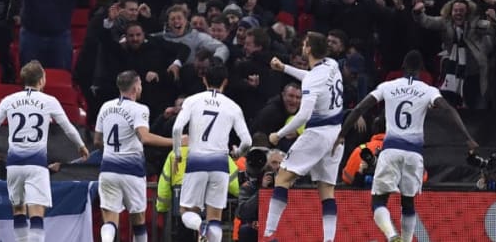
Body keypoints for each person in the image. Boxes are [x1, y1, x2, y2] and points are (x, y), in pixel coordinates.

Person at [335, 50, 478, 242]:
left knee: (379, 200)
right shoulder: (428, 90)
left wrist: (342, 134)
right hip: (414, 154)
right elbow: (449, 110)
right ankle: (406, 240)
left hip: (391, 149)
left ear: (402, 67)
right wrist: (467, 138)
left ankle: (392, 236)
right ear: (421, 69)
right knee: (408, 203)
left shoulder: (388, 86)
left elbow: (361, 108)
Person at [0, 60, 89, 242]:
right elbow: (68, 127)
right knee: (36, 213)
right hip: (36, 164)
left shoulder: (9, 100)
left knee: (18, 210)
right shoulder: (49, 101)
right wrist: (81, 145)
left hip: (14, 164)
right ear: (42, 80)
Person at [261, 31, 344, 242]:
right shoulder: (331, 65)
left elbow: (304, 115)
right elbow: (311, 76)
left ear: (308, 49)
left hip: (318, 133)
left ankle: (269, 234)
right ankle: (329, 240)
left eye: (305, 43)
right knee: (326, 191)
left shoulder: (313, 80)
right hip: (337, 134)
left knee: (282, 178)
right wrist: (284, 68)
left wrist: (278, 135)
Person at [172, 62, 252, 242]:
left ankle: (200, 226)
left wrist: (177, 155)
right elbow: (247, 141)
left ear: (204, 79)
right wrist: (238, 153)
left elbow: (177, 129)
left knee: (187, 211)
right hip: (220, 164)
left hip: (196, 161)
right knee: (215, 217)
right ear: (225, 82)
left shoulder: (192, 101)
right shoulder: (232, 106)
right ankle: (207, 227)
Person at [95, 70, 174, 242]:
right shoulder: (140, 109)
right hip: (132, 171)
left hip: (108, 169)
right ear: (136, 86)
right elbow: (144, 137)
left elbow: (97, 141)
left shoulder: (105, 107)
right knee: (138, 220)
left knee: (109, 220)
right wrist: (175, 141)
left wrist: (112, 151)